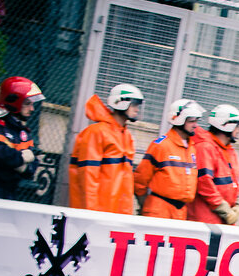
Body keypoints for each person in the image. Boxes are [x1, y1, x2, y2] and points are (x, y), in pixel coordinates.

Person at [69, 83, 144, 215]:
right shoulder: (96, 132)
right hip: (99, 211)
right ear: (120, 103)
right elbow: (88, 176)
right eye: (134, 104)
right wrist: (91, 213)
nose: (137, 109)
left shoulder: (126, 136)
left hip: (117, 211)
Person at [134, 99, 205, 220]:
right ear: (178, 119)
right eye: (191, 121)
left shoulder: (191, 147)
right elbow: (140, 180)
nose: (195, 125)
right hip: (159, 210)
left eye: (196, 121)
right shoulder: (161, 145)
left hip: (180, 212)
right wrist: (146, 204)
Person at [0, 76, 42, 200]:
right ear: (14, 102)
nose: (32, 109)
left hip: (16, 191)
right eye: (28, 104)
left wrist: (21, 165)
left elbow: (33, 165)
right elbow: (2, 156)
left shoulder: (22, 130)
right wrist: (22, 158)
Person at [187, 104, 239, 226]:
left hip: (222, 219)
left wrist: (237, 204)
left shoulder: (228, 151)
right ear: (227, 126)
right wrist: (223, 209)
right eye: (237, 127)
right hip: (205, 218)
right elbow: (204, 182)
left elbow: (234, 181)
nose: (238, 131)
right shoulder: (205, 147)